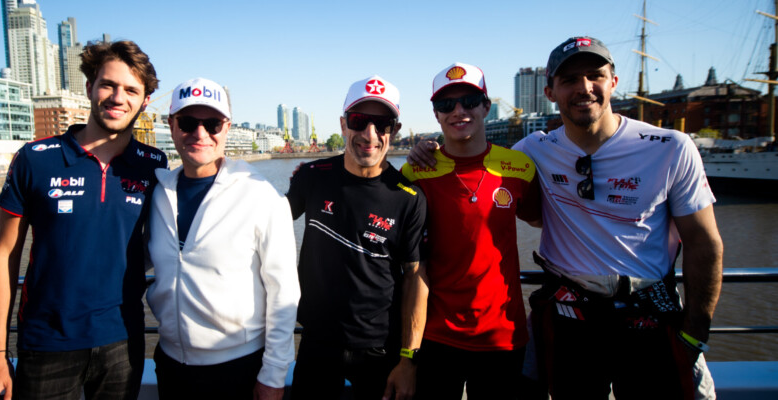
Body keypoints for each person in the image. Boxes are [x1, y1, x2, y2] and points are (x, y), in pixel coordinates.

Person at [409, 37, 723, 400]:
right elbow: (520, 204)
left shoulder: (671, 147)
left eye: (595, 76)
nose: (584, 88)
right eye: (570, 80)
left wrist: (695, 333)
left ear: (613, 82)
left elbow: (704, 243)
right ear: (551, 92)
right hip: (570, 319)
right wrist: (426, 147)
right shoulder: (532, 152)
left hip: (647, 317)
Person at [0, 40, 166, 400]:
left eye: (131, 90)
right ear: (90, 88)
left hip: (123, 341)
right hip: (47, 342)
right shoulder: (36, 159)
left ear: (144, 102)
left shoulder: (154, 165)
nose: (118, 97)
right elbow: (4, 255)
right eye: (108, 85)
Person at [145, 77, 300, 400]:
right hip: (170, 364)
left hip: (238, 368)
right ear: (172, 125)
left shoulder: (261, 196)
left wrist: (273, 375)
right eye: (188, 122)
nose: (200, 134)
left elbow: (283, 291)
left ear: (227, 127)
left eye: (212, 123)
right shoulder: (158, 193)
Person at [399, 63, 539, 399]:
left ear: (486, 106)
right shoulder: (416, 172)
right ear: (436, 115)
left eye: (469, 101)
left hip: (502, 336)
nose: (458, 111)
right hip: (436, 336)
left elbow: (540, 220)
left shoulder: (519, 167)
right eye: (447, 105)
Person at [286, 76, 428, 400]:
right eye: (360, 121)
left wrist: (409, 359)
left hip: (380, 350)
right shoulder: (312, 177)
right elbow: (265, 227)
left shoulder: (408, 197)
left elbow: (415, 279)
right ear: (343, 124)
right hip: (317, 343)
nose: (370, 135)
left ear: (396, 129)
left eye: (383, 124)